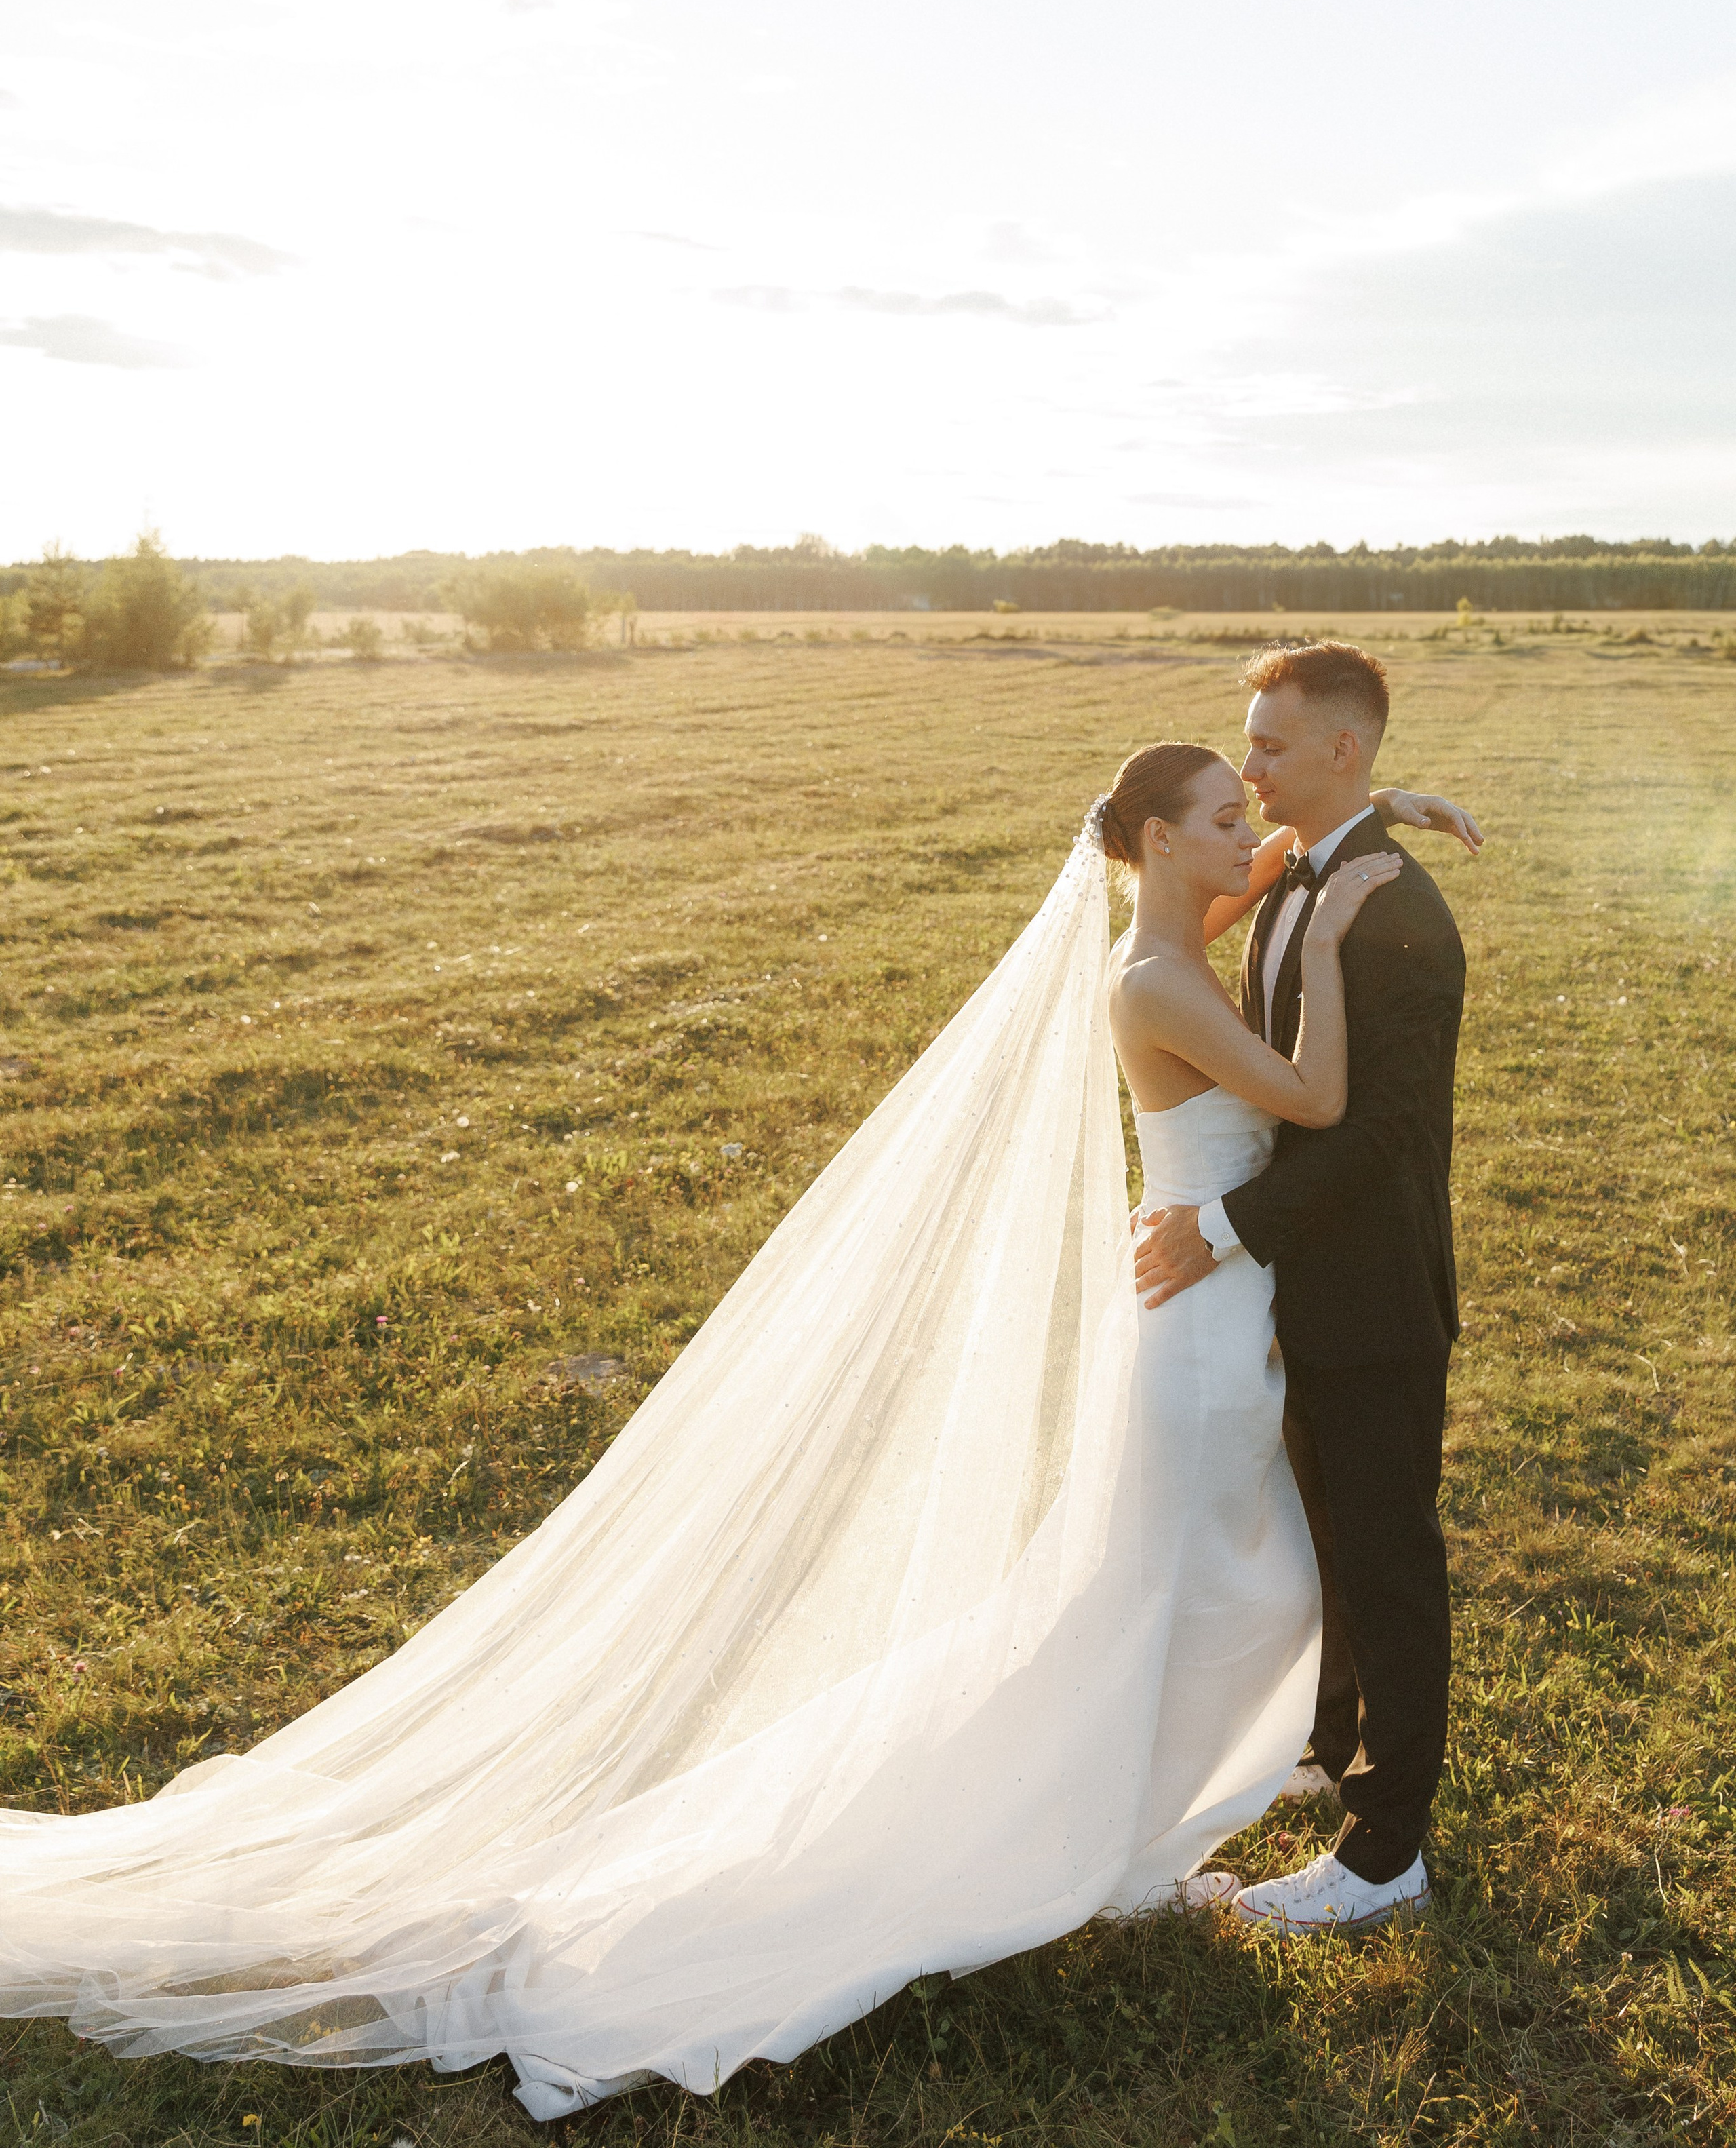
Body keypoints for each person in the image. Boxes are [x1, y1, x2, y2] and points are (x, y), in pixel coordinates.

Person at [0, 698, 1476, 2113]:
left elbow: (1266, 869)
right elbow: (1312, 1100)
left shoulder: (1165, 936)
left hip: (1209, 1307)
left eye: (1251, 804)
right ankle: (1088, 1825)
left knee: (1189, 1577)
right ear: (1154, 840)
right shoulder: (1153, 976)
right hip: (1199, 1325)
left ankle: (1143, 1814)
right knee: (1186, 1584)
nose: (1247, 829)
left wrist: (1359, 821)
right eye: (1221, 813)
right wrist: (1328, 930)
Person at [1133, 640, 1475, 1936]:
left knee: (1387, 1561)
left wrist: (1219, 1228)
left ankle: (1386, 1857)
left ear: (1341, 746)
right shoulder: (1289, 873)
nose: (1253, 766)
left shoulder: (1399, 917)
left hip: (1373, 1294)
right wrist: (1384, 801)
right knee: (1324, 1540)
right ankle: (1333, 1755)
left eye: (1271, 745)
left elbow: (1377, 1133)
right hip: (1294, 1291)